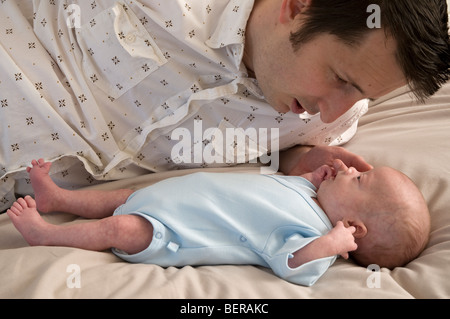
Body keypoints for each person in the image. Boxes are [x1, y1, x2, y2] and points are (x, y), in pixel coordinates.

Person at [0, 0, 449, 214]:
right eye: (341, 80)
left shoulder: (329, 123)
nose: (332, 114)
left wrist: (300, 158)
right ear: (298, 7)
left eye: (363, 96)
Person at [6, 158, 430, 286]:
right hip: (174, 199)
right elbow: (282, 186)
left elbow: (292, 264)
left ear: (352, 228)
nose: (350, 170)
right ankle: (58, 197)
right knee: (120, 198)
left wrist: (331, 244)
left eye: (359, 180)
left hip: (174, 234)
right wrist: (316, 176)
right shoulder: (311, 195)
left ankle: (47, 234)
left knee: (120, 226)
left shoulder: (316, 238)